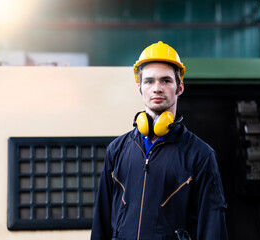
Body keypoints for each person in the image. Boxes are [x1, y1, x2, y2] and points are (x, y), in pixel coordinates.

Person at [91, 41, 228, 240]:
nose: (157, 88)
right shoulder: (117, 150)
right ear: (140, 88)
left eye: (166, 81)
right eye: (149, 81)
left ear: (179, 87)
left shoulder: (200, 154)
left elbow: (212, 229)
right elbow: (101, 222)